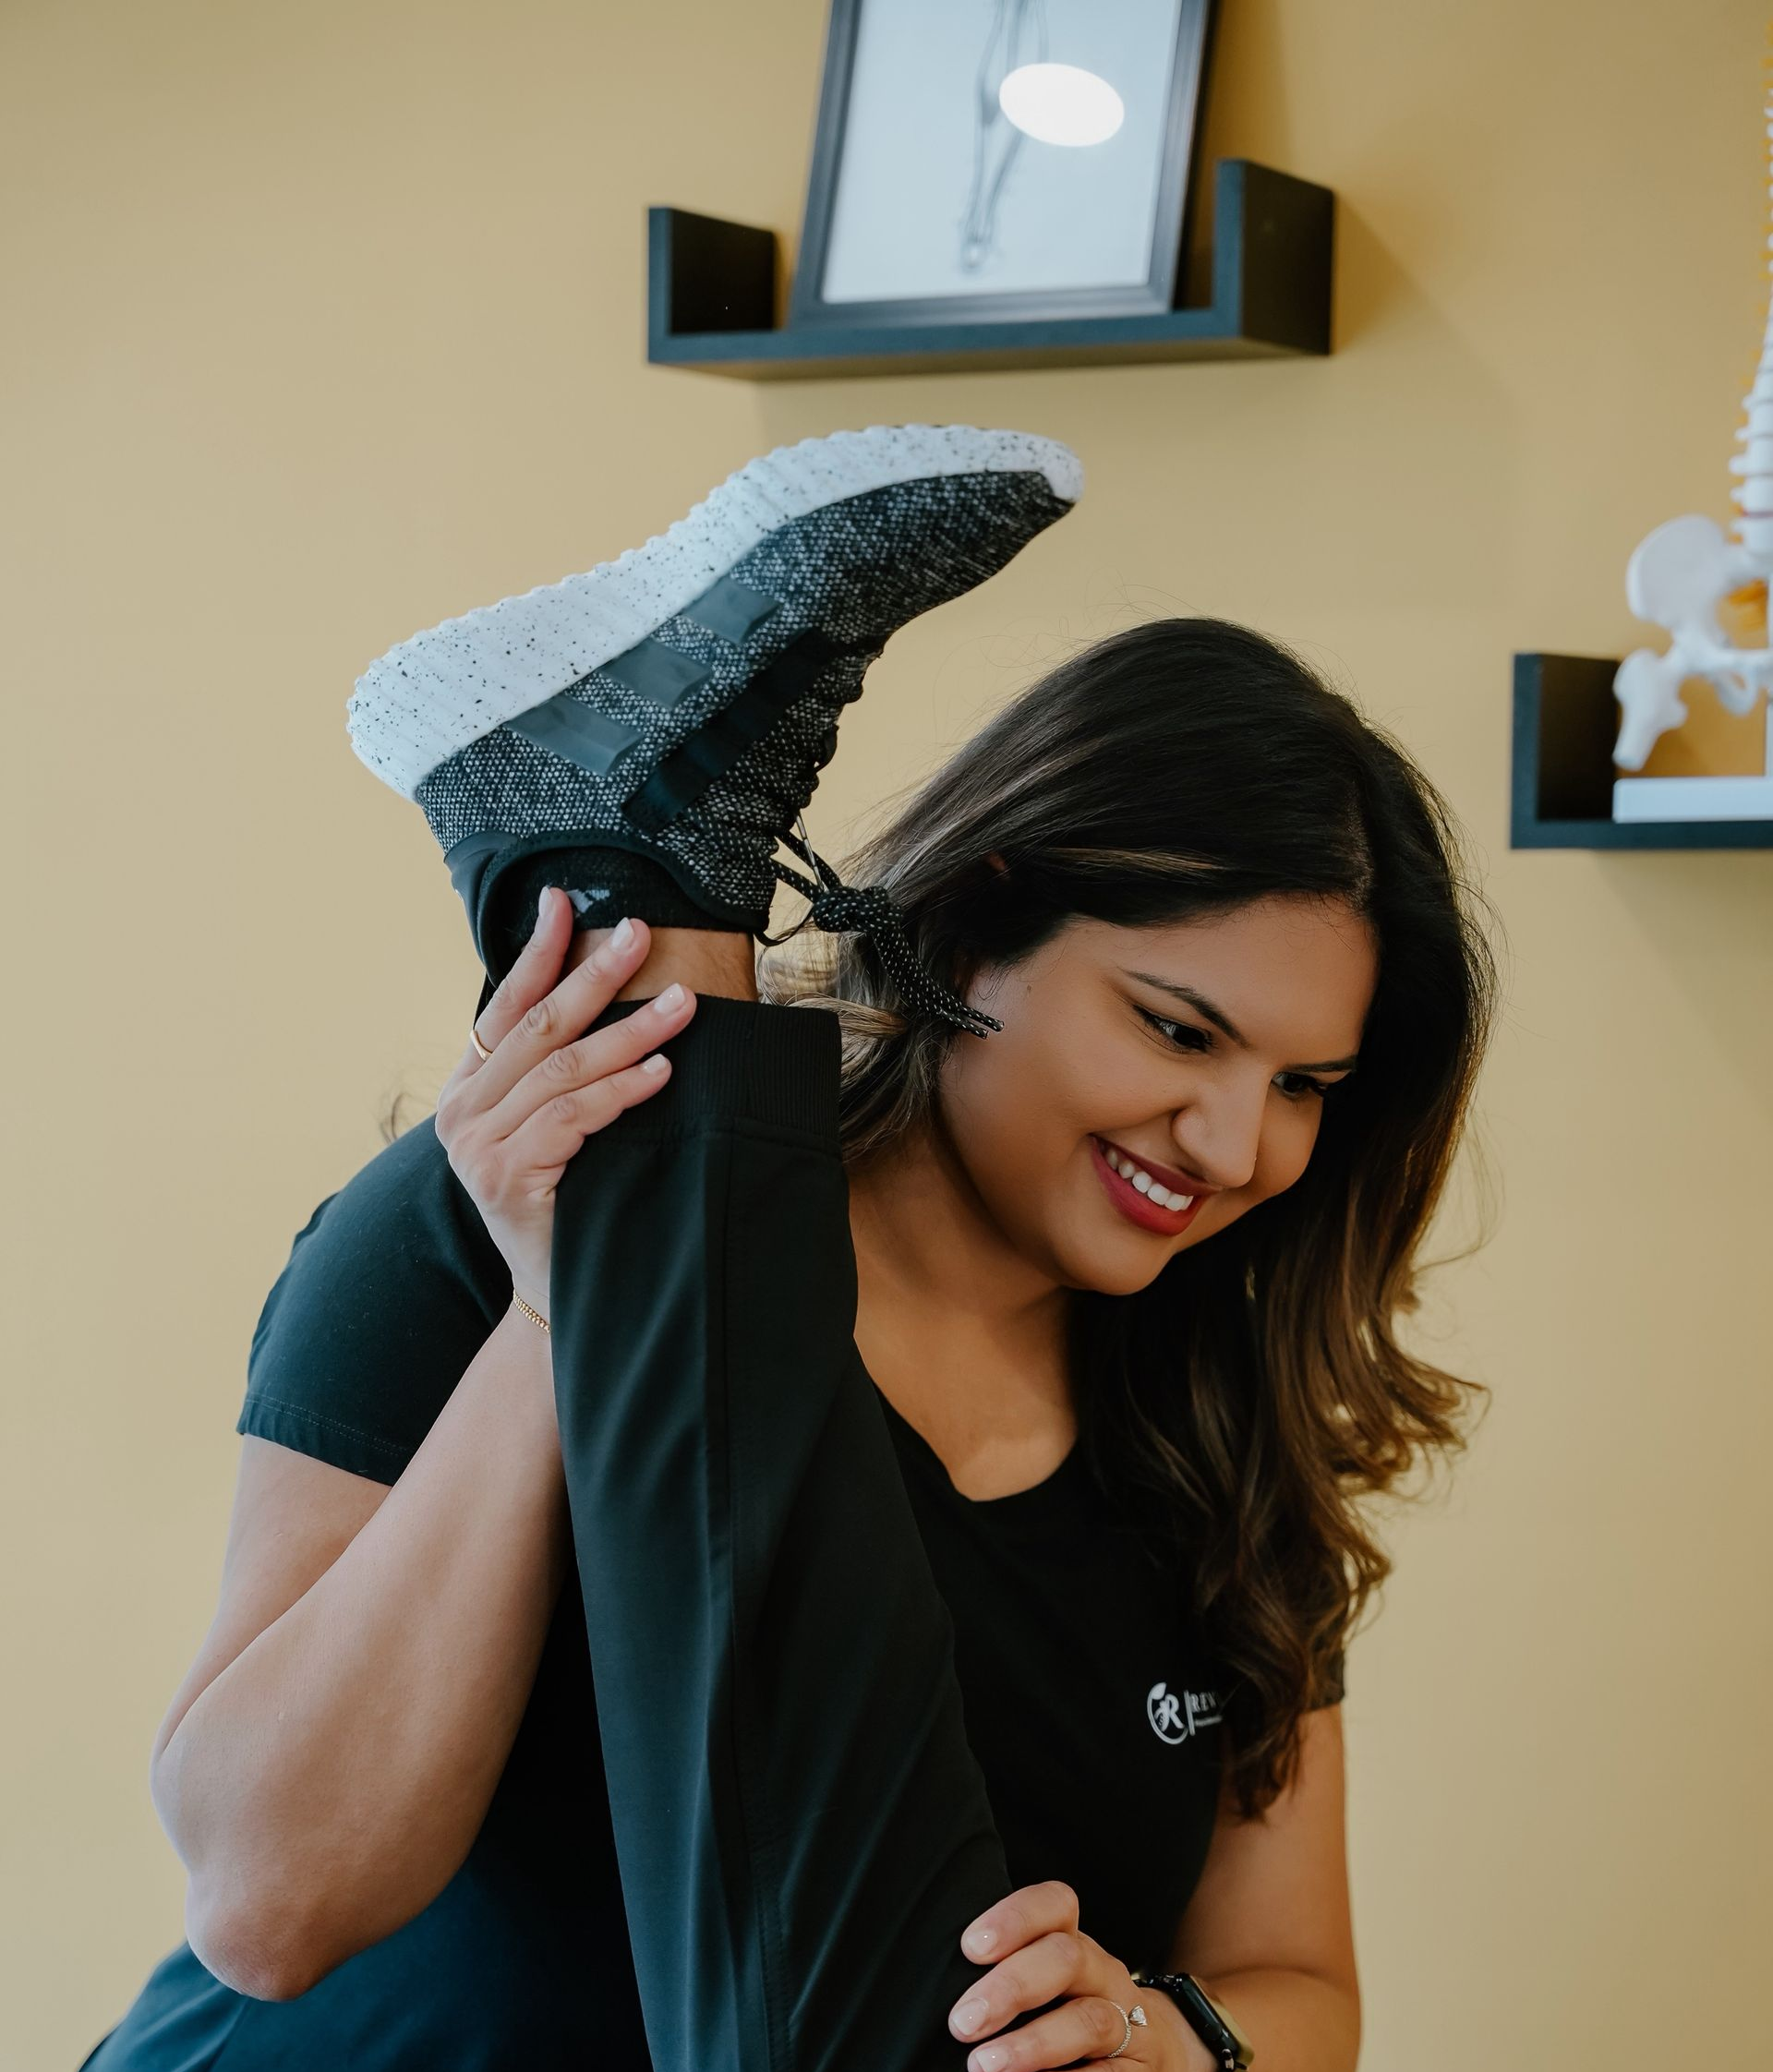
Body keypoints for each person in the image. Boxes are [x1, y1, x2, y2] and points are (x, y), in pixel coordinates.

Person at [80, 425, 1495, 2071]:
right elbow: (268, 1904)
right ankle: (649, 888)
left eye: (1305, 1086)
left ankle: (640, 864)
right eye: (1177, 1032)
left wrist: (1181, 2041)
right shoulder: (502, 1196)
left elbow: (1297, 1985)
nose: (1237, 1145)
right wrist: (570, 1304)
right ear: (974, 916)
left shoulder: (1212, 1421)